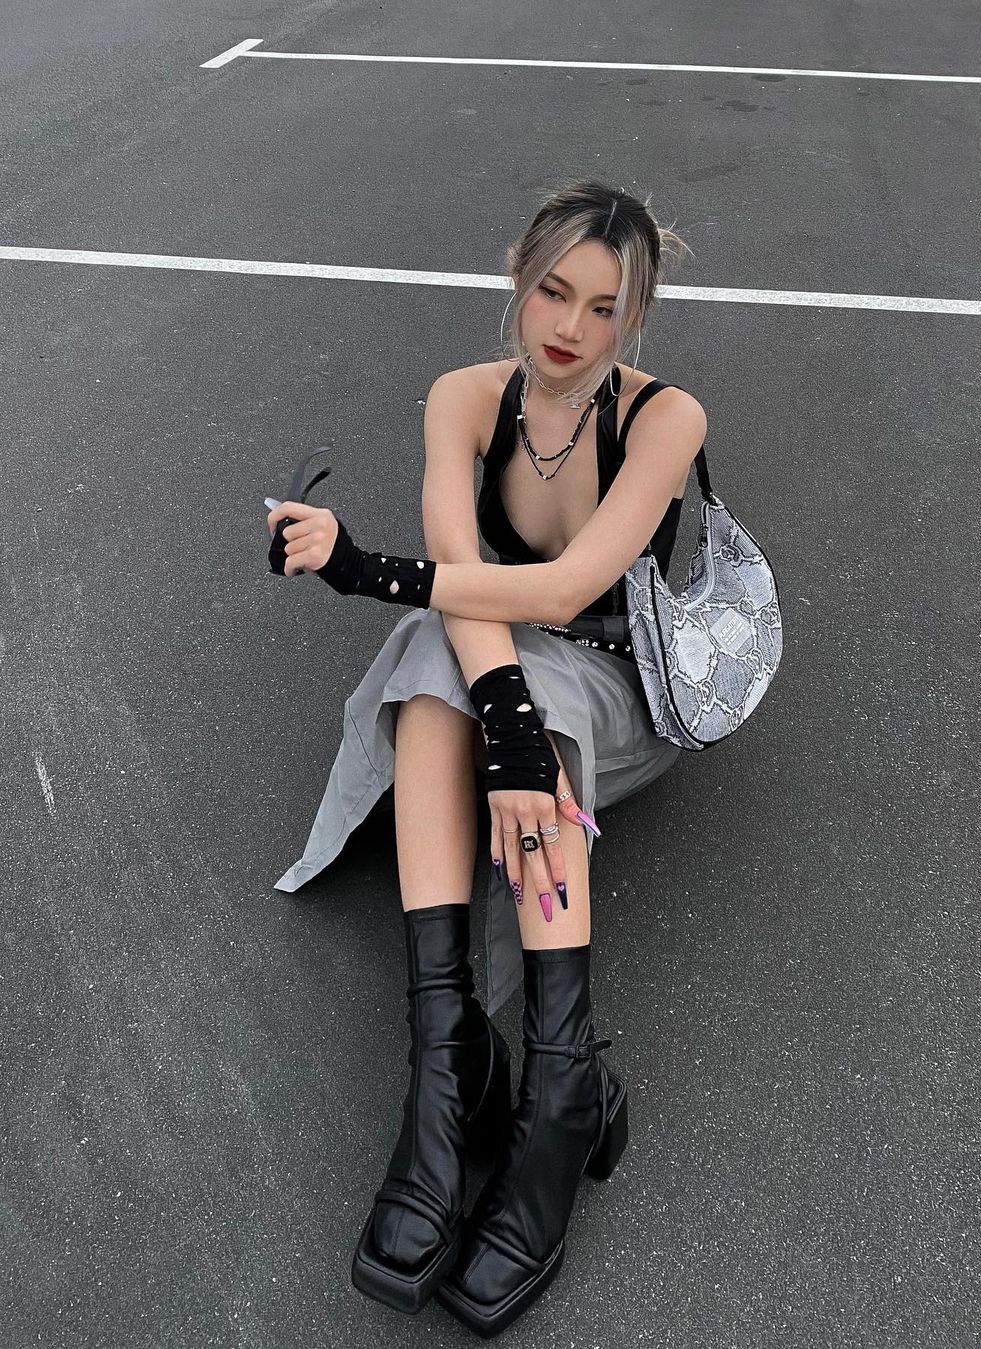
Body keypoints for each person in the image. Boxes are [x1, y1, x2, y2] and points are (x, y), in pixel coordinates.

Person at [267, 180, 707, 1337]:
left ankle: (559, 1083)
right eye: (554, 291)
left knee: (503, 669)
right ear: (518, 274)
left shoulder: (666, 418)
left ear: (635, 316)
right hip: (496, 671)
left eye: (604, 308)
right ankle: (448, 1055)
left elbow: (562, 591)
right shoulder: (464, 396)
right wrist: (502, 720)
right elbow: (460, 573)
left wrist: (365, 572)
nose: (571, 327)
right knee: (435, 652)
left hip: (618, 691)